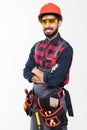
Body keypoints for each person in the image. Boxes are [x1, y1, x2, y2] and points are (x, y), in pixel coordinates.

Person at [23, 2, 74, 130]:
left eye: (51, 21)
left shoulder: (66, 49)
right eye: (44, 22)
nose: (48, 25)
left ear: (59, 22)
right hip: (35, 104)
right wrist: (48, 74)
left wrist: (37, 70)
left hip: (54, 105)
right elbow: (26, 71)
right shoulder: (36, 47)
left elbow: (54, 80)